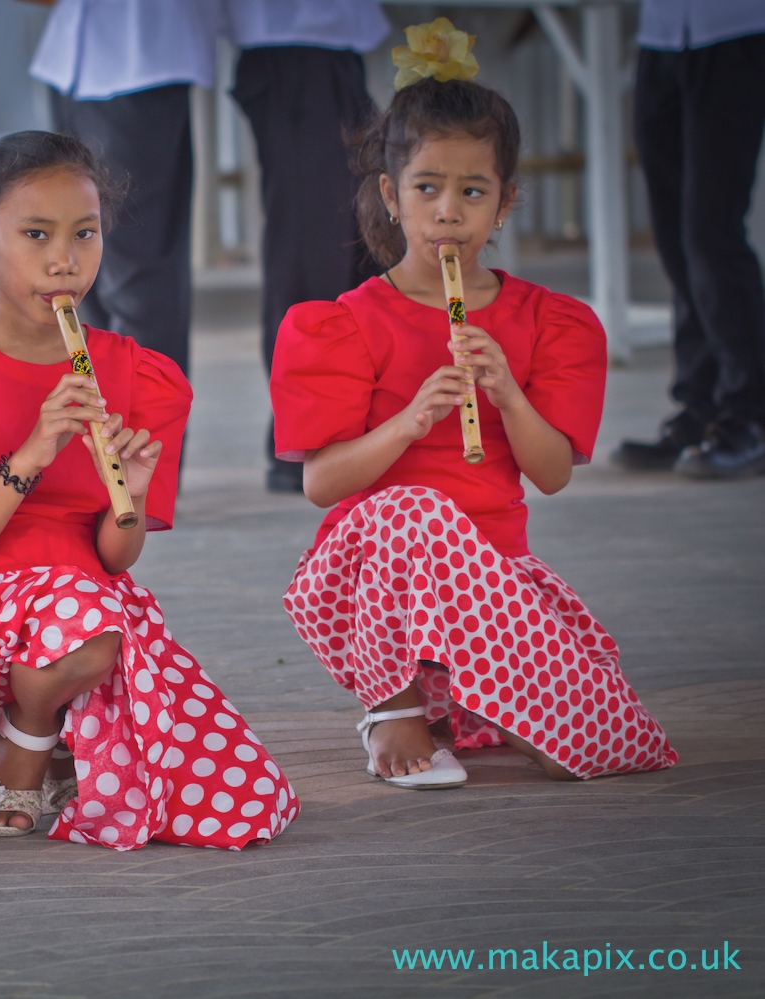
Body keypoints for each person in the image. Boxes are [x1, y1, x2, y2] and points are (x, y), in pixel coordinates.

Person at [271, 22, 677, 789]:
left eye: (473, 191)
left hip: (492, 576)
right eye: (427, 188)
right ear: (392, 196)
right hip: (369, 584)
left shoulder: (551, 320)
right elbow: (321, 483)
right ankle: (392, 707)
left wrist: (508, 394)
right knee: (412, 506)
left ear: (506, 202)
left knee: (610, 740)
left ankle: (463, 702)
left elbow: (551, 473)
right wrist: (412, 420)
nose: (448, 211)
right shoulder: (342, 323)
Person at [0, 131, 298, 848]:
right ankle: (26, 740)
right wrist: (34, 452)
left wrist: (126, 490)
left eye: (84, 234)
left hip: (92, 600)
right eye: (35, 234)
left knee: (243, 799)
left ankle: (72, 737)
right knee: (90, 622)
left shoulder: (140, 374)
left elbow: (116, 558)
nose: (64, 260)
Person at [223, 0, 389, 493]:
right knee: (311, 249)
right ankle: (302, 436)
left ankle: (337, 425)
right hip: (291, 46)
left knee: (359, 240)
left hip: (331, 43)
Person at [29, 0, 225, 377]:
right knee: (85, 271)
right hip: (73, 55)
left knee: (137, 277)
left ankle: (147, 426)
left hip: (138, 57)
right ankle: (104, 415)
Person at [613, 1, 765, 478]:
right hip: (659, 36)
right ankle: (700, 408)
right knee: (676, 238)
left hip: (732, 31)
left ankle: (750, 416)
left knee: (710, 234)